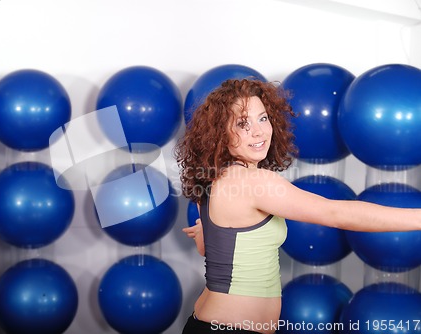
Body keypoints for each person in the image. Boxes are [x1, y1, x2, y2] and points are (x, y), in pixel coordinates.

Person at [174, 78, 421, 334]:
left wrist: (206, 231)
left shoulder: (216, 179)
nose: (259, 132)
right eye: (242, 124)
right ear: (220, 132)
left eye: (263, 118)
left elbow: (212, 252)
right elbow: (336, 213)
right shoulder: (254, 181)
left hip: (208, 323)